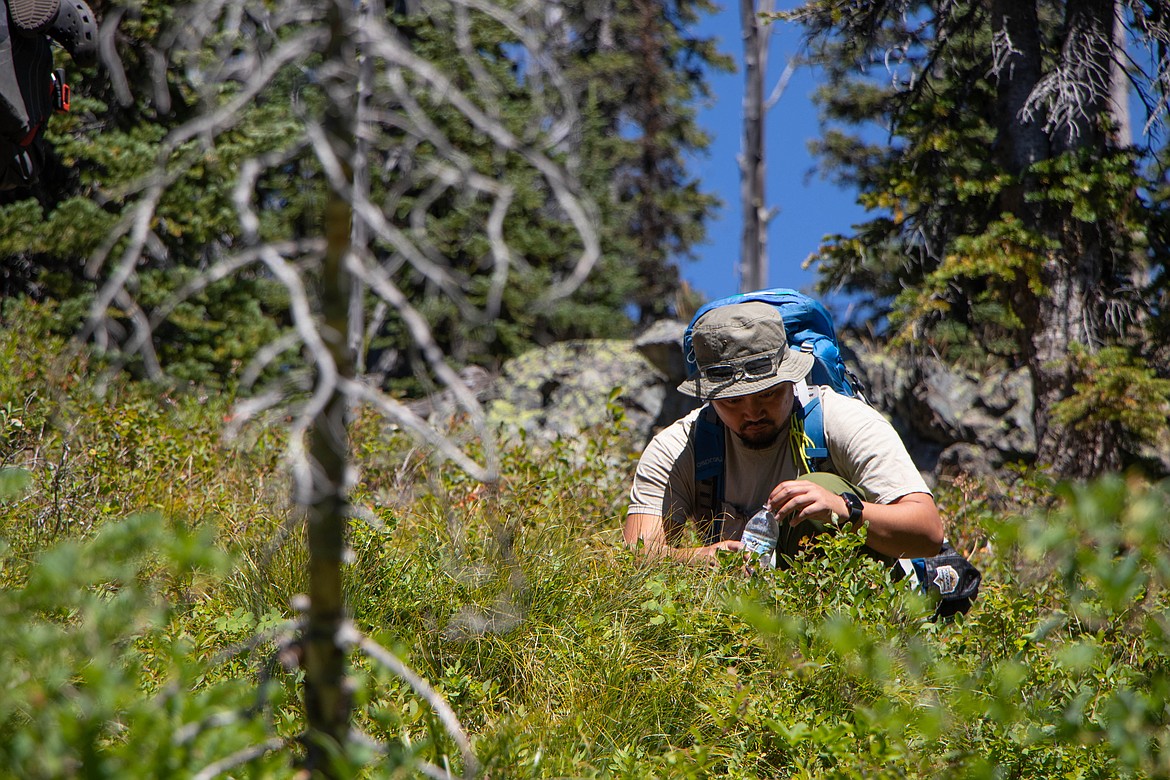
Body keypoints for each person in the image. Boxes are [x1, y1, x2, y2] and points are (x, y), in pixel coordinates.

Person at [624, 301, 944, 567]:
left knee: (819, 486)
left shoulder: (843, 420)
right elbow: (639, 557)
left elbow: (928, 533)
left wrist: (843, 510)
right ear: (709, 396)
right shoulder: (679, 447)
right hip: (742, 616)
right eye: (733, 401)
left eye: (767, 394)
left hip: (860, 608)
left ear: (792, 379)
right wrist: (699, 558)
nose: (752, 413)